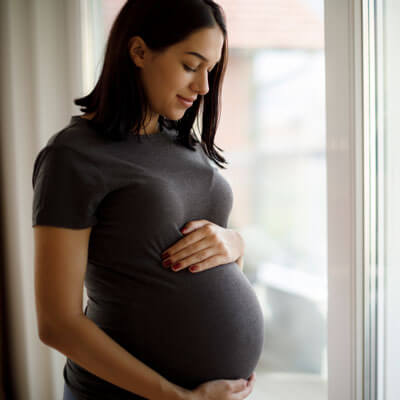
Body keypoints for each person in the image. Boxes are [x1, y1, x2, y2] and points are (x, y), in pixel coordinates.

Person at [32, 0, 264, 399]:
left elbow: (207, 251)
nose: (204, 87)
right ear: (138, 51)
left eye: (211, 69)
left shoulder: (186, 146)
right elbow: (57, 323)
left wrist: (234, 242)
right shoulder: (73, 156)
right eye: (191, 66)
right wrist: (177, 397)